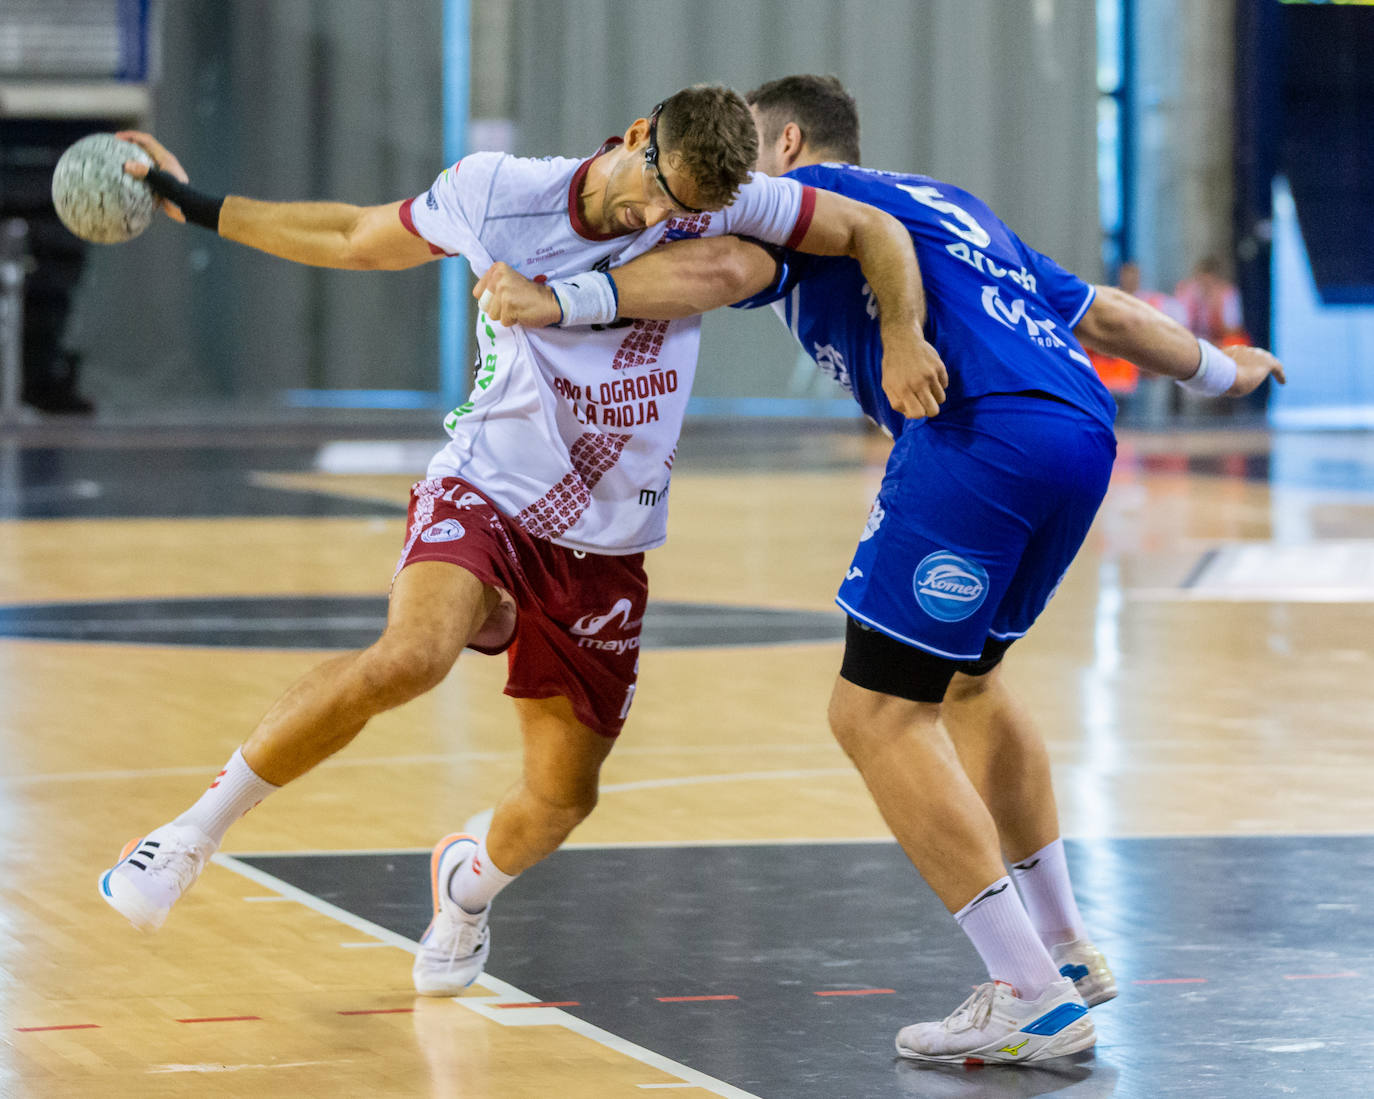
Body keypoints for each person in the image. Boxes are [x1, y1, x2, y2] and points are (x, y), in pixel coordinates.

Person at [476, 74, 1286, 1065]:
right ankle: (1065, 948)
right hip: (1078, 431)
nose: (726, 186)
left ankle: (1027, 992)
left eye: (745, 164)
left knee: (874, 713)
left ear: (785, 142)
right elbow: (1101, 313)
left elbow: (718, 267)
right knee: (970, 684)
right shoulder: (952, 204)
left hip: (978, 440)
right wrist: (1217, 367)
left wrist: (561, 295)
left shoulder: (817, 214)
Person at [95, 84, 946, 1002]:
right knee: (411, 655)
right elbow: (350, 237)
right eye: (653, 196)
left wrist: (902, 332)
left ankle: (465, 887)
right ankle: (189, 833)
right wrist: (191, 202)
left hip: (606, 539)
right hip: (488, 485)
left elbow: (877, 233)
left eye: (685, 214)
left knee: (561, 798)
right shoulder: (500, 193)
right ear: (633, 137)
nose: (659, 221)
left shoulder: (730, 201)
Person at [1175, 255, 1250, 346]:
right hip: (1192, 341)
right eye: (1202, 282)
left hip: (1218, 342)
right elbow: (1178, 326)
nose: (1206, 287)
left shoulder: (1228, 294)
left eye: (1210, 283)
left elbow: (1233, 329)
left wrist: (1216, 310)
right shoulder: (1186, 291)